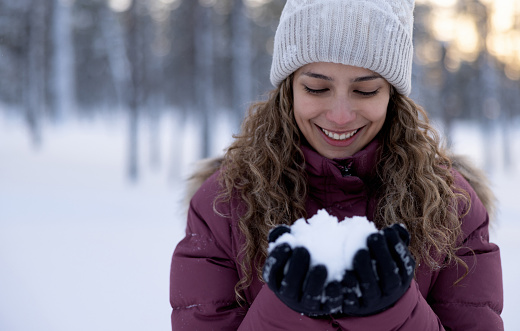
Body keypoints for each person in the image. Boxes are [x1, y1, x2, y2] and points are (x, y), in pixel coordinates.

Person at [170, 0, 504, 329]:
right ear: (288, 89)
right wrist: (283, 313)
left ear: (392, 94)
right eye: (317, 88)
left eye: (366, 91)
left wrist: (396, 313)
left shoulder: (451, 206)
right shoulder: (223, 204)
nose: (340, 116)